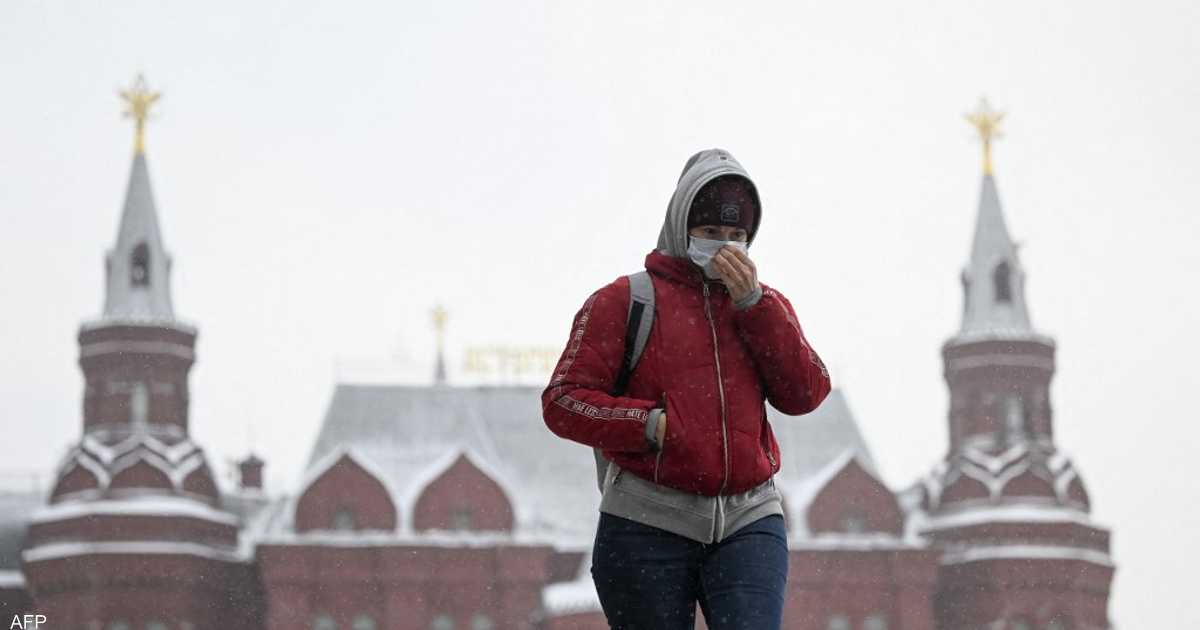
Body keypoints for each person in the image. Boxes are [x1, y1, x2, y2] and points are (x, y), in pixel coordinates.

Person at [541, 148, 832, 630]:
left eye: (737, 235)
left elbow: (806, 393)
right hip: (646, 521)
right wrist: (647, 424)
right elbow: (563, 401)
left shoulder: (764, 305)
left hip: (748, 518)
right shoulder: (625, 300)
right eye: (711, 233)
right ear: (682, 227)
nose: (725, 247)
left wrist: (755, 307)